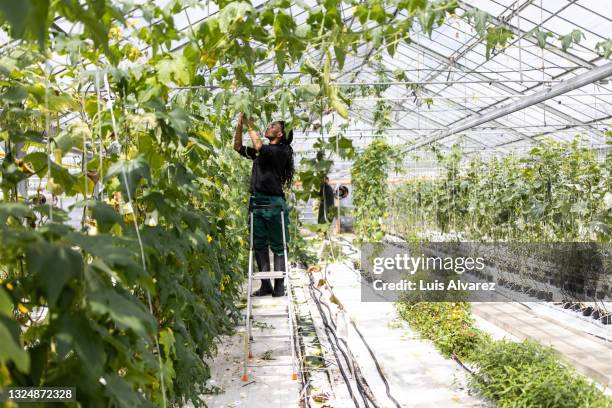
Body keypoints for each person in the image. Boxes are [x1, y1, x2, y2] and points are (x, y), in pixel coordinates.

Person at [234, 113, 294, 297]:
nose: (269, 127)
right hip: (257, 202)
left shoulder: (282, 151)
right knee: (259, 244)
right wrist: (239, 125)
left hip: (274, 203)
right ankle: (265, 284)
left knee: (278, 244)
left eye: (273, 126)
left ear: (281, 134)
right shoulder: (262, 153)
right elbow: (237, 147)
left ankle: (279, 285)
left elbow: (258, 145)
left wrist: (249, 124)